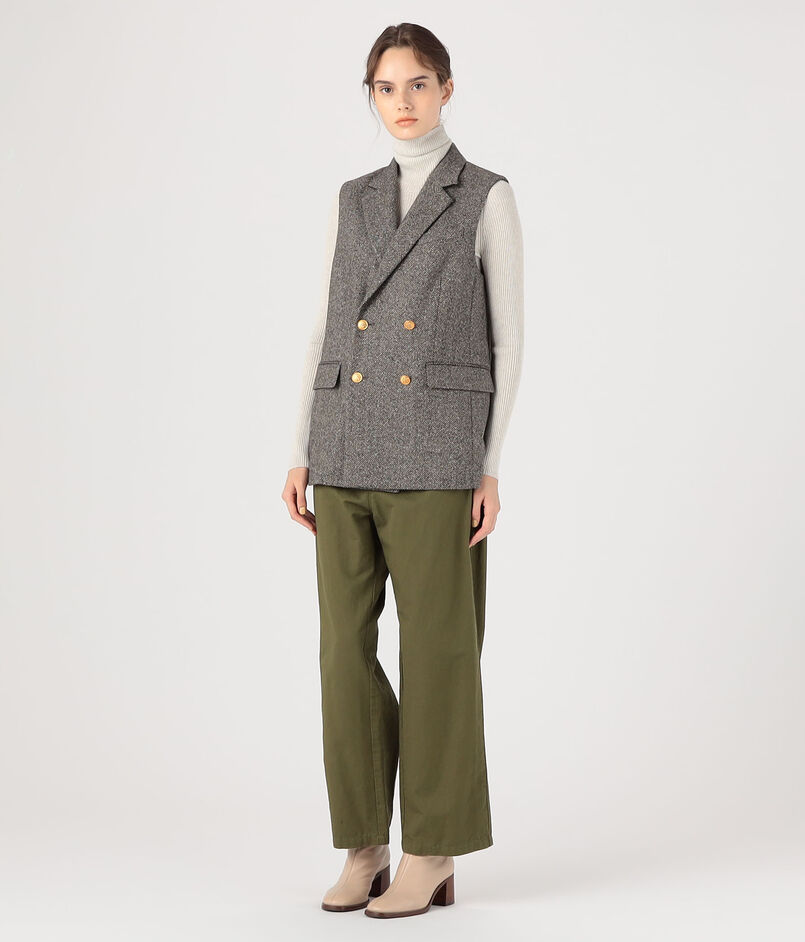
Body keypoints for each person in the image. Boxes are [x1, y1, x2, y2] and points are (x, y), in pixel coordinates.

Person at [282, 22, 524, 919]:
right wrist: (300, 448)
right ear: (372, 96)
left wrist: (488, 467)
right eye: (386, 87)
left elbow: (508, 340)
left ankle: (432, 849)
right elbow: (325, 323)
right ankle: (364, 847)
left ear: (446, 89)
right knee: (341, 652)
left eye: (418, 83)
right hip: (345, 443)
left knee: (437, 653)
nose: (403, 102)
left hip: (436, 450)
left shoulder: (483, 194)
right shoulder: (352, 199)